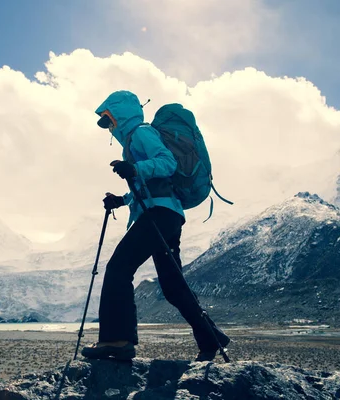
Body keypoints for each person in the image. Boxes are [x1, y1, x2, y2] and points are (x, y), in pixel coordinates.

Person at [81, 90, 230, 362]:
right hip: (167, 213)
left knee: (119, 267)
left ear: (120, 113)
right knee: (172, 285)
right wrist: (122, 200)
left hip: (159, 214)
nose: (108, 126)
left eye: (108, 119)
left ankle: (117, 340)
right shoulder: (133, 140)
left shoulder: (140, 132)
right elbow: (151, 185)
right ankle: (211, 338)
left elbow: (167, 163)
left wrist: (135, 169)